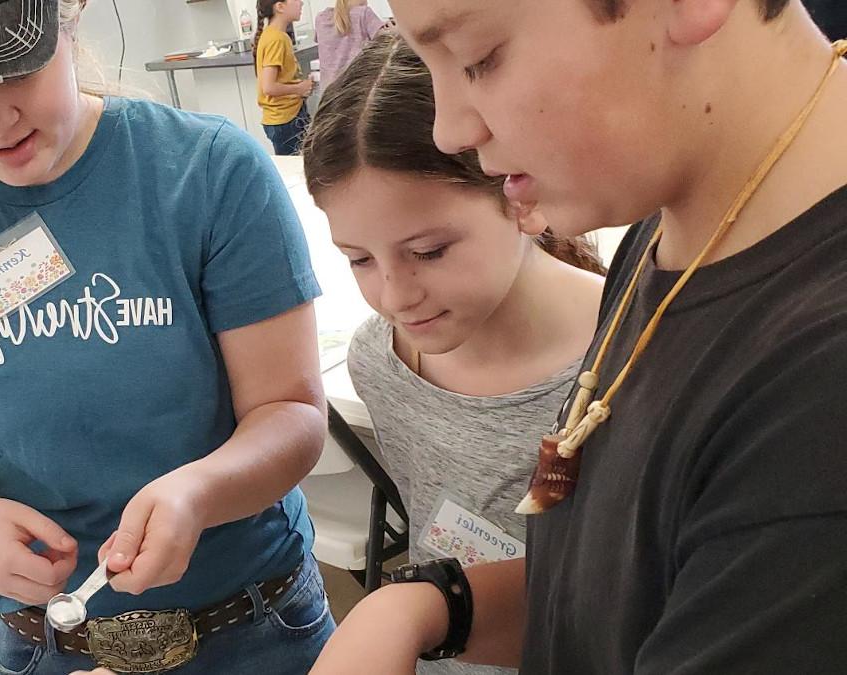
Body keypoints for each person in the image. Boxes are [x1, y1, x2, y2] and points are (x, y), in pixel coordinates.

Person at [312, 0, 847, 673]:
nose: (449, 128)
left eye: (480, 59)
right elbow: (616, 590)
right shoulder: (672, 237)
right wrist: (429, 604)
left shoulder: (815, 393)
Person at [0, 1, 336, 673]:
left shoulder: (208, 173)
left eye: (12, 69)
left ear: (68, 20)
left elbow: (290, 412)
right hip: (53, 646)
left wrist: (199, 493)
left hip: (253, 627)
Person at [302, 32, 605, 675]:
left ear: (519, 196)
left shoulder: (627, 359)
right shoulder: (381, 361)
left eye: (430, 251)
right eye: (358, 259)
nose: (394, 294)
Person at [255, 0, 315, 155]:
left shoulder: (273, 35)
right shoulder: (277, 39)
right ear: (280, 7)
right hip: (287, 121)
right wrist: (300, 88)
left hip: (285, 118)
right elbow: (269, 87)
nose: (301, 3)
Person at [314, 0, 390, 87]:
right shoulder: (364, 14)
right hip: (355, 90)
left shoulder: (320, 18)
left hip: (328, 92)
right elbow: (388, 42)